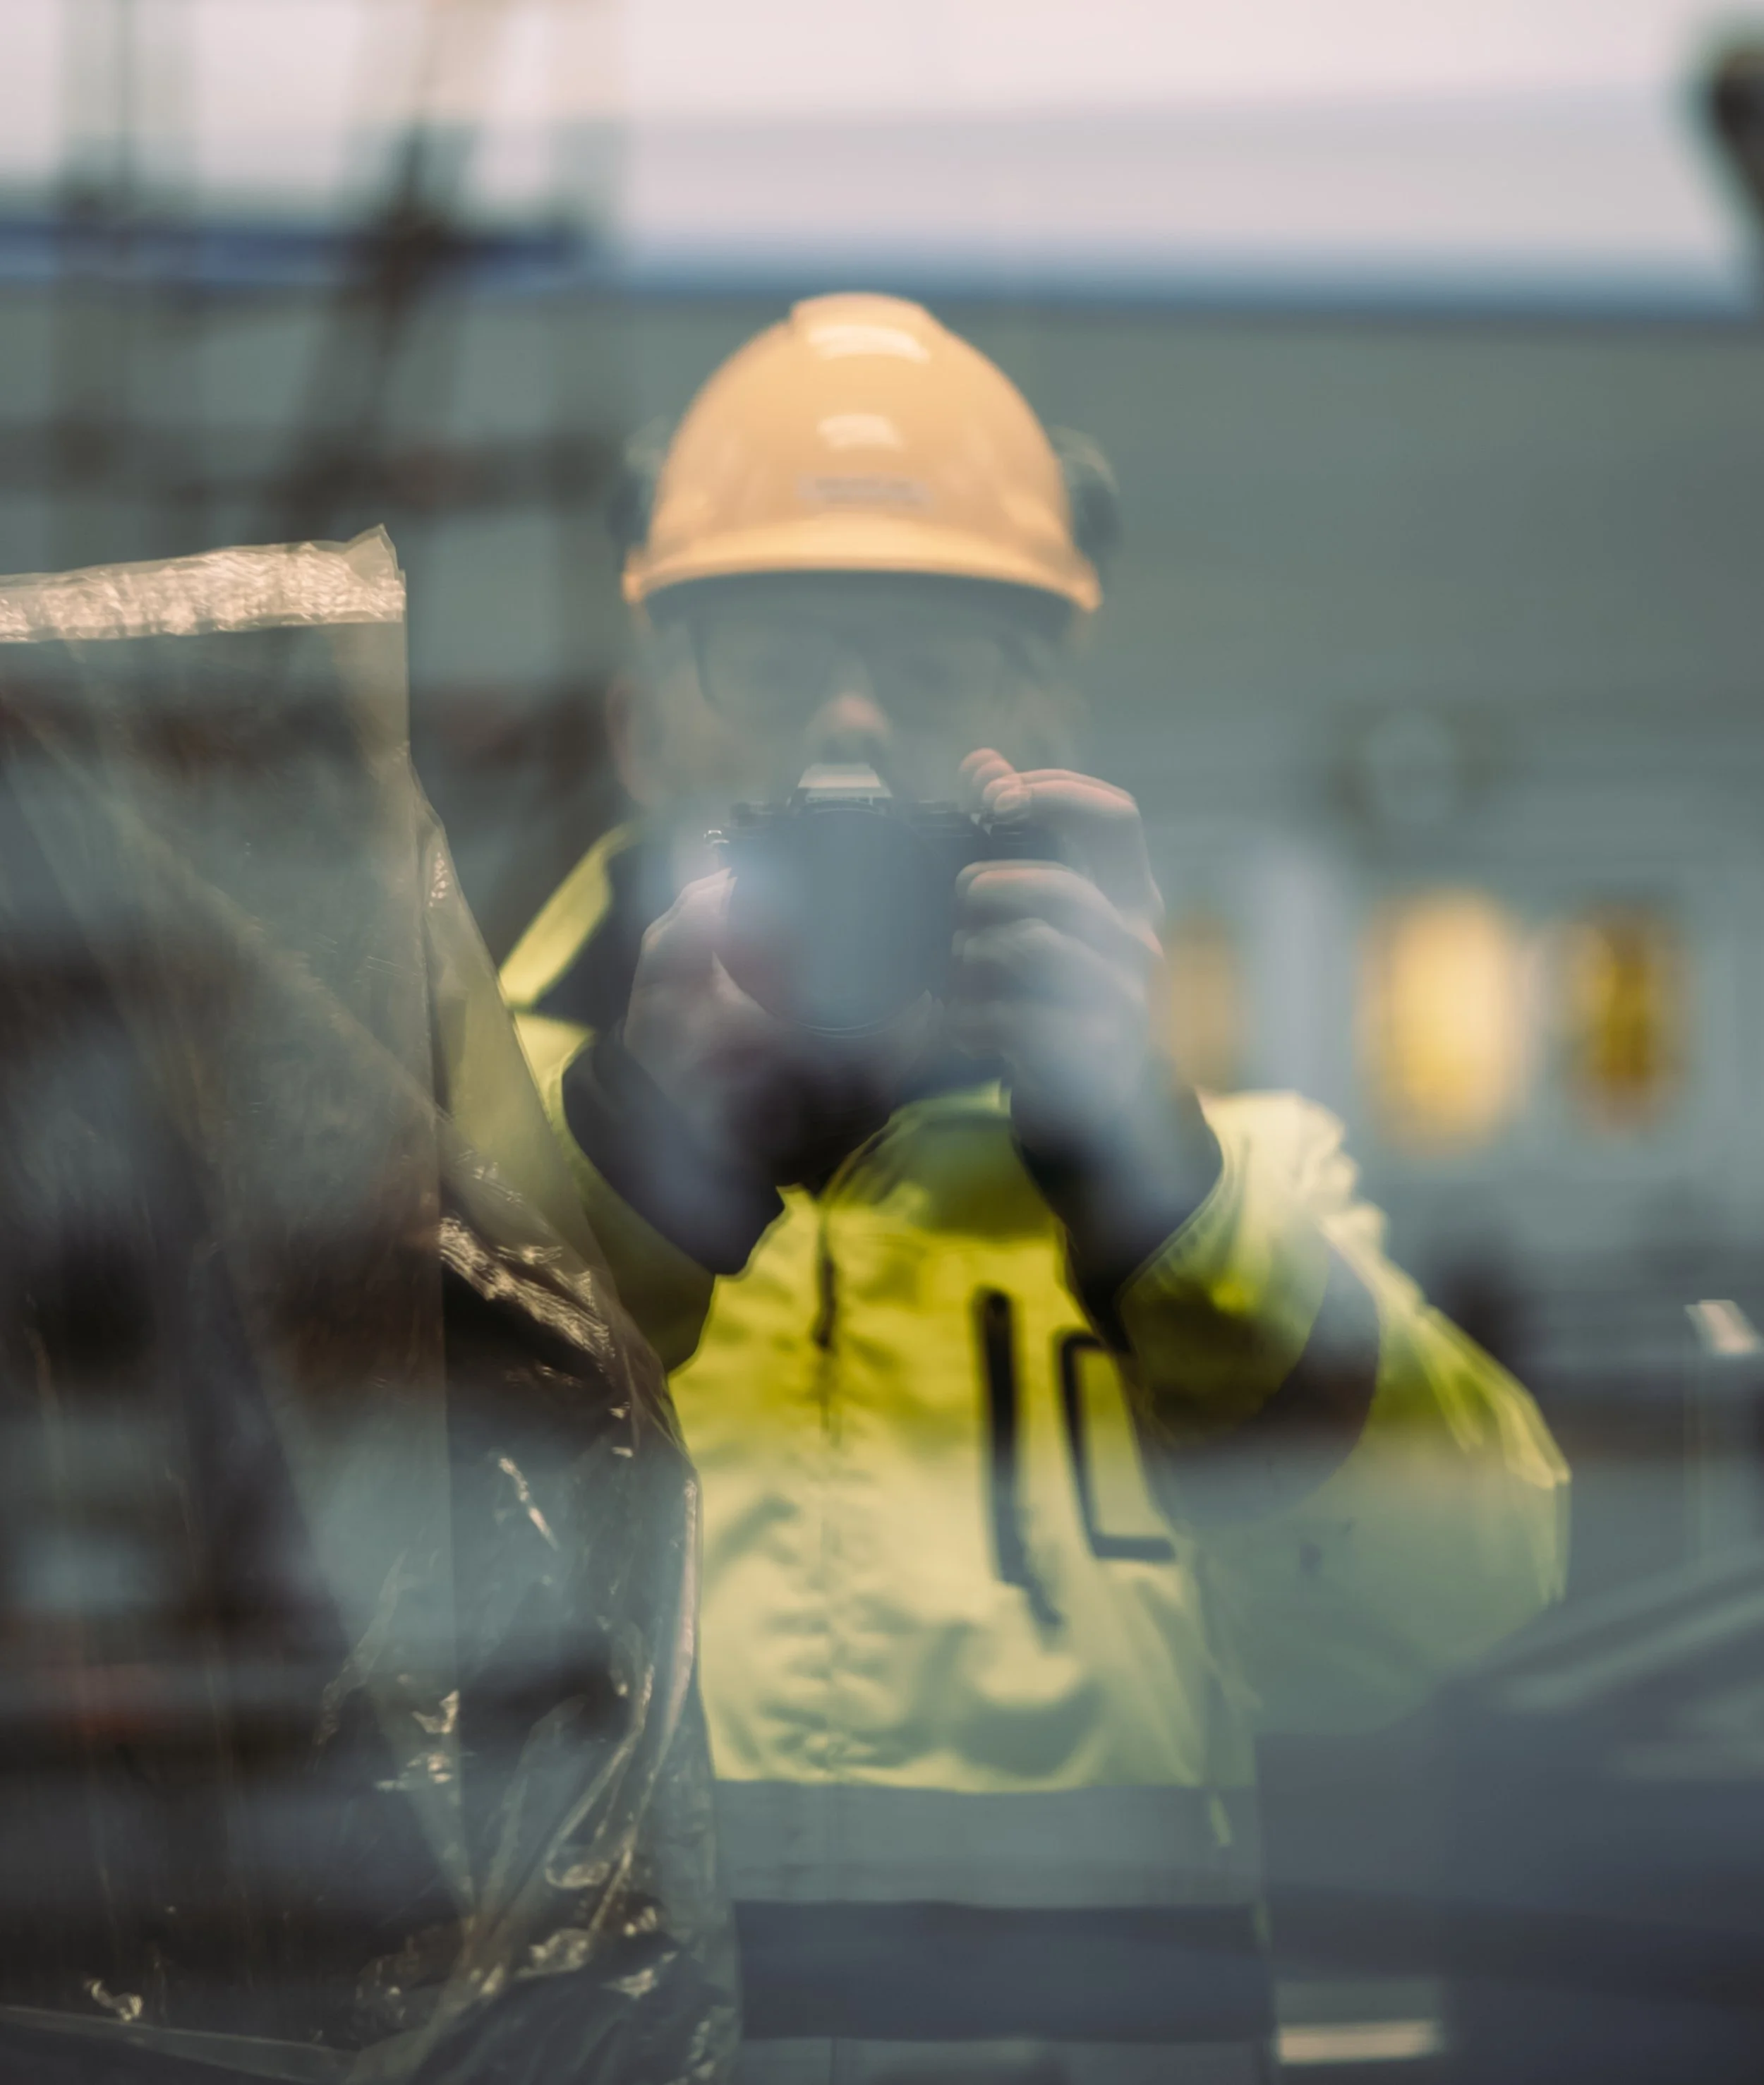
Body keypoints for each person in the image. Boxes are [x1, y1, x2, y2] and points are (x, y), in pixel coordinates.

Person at [500, 294, 1569, 2084]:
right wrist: (624, 1179)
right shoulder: (468, 1136)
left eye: (926, 659)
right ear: (640, 715)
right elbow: (335, 1616)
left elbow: (1449, 1597)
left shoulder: (1232, 1177)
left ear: (1045, 711)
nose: (847, 723)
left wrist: (1158, 1200)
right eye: (773, 656)